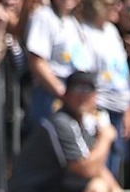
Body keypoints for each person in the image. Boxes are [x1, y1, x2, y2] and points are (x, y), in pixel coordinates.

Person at [6, 71, 128, 192]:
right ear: (66, 94)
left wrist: (116, 191)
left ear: (94, 96)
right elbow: (85, 169)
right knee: (96, 190)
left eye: (87, 91)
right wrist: (105, 139)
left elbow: (94, 166)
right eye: (76, 90)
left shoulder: (81, 124)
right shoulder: (61, 122)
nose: (82, 96)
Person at [80, 0, 130, 192]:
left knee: (115, 168)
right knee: (102, 171)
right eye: (112, 3)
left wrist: (128, 108)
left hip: (118, 106)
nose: (118, 7)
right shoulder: (84, 31)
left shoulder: (111, 31)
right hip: (99, 107)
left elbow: (121, 74)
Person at [23, 0, 95, 132]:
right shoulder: (44, 16)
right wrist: (64, 94)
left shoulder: (74, 21)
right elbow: (37, 62)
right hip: (52, 95)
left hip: (76, 93)